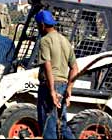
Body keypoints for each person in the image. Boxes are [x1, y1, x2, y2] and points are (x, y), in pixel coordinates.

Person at [35, 10, 78, 139]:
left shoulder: (45, 41)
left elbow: (47, 65)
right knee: (62, 125)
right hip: (63, 86)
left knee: (48, 127)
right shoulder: (65, 41)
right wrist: (69, 88)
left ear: (42, 25)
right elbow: (75, 68)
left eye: (38, 25)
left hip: (49, 86)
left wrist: (52, 90)